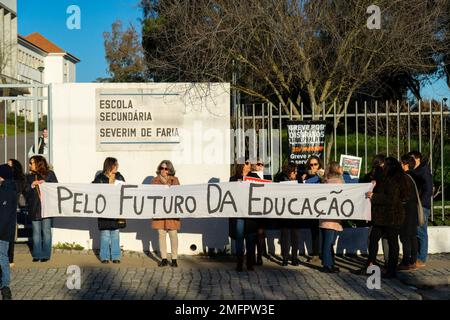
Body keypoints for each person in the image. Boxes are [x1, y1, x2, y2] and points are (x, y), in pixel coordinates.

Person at [366, 157, 409, 278]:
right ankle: (371, 264)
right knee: (375, 238)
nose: (382, 167)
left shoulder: (393, 179)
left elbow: (391, 198)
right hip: (384, 216)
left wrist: (374, 196)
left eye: (385, 165)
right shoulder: (395, 177)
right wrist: (375, 182)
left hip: (390, 216)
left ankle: (391, 270)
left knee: (391, 242)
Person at [24, 155, 57, 262]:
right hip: (34, 207)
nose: (30, 165)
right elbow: (25, 191)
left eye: (31, 163)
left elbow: (57, 188)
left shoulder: (50, 174)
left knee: (46, 231)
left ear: (38, 163)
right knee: (36, 232)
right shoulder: (28, 177)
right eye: (30, 163)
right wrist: (32, 186)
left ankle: (46, 255)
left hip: (47, 208)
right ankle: (37, 254)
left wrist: (46, 184)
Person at [93, 157, 125, 264]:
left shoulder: (119, 176)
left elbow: (125, 188)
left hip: (116, 209)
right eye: (115, 165)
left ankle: (116, 256)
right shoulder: (100, 178)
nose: (117, 167)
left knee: (115, 233)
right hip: (104, 210)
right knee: (105, 234)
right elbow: (92, 189)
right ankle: (104, 256)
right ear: (109, 166)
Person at [229, 158, 257, 271]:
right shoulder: (233, 178)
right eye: (246, 163)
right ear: (241, 165)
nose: (249, 165)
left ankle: (250, 262)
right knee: (239, 237)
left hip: (250, 213)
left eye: (249, 163)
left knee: (250, 237)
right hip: (239, 213)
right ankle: (239, 261)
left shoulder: (254, 177)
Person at [152, 160, 181, 267]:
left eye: (166, 168)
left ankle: (174, 259)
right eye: (162, 168)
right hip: (160, 212)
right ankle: (164, 258)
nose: (163, 170)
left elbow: (179, 193)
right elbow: (151, 194)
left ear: (170, 170)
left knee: (173, 234)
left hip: (171, 212)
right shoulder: (155, 180)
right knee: (161, 234)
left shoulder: (175, 180)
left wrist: (171, 188)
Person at [361, 154, 389, 264]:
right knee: (377, 238)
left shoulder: (385, 178)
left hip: (378, 212)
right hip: (376, 211)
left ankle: (374, 261)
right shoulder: (374, 177)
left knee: (375, 238)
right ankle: (379, 261)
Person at [407, 151, 433, 268]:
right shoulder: (414, 172)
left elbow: (428, 190)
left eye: (412, 159)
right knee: (416, 232)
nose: (410, 161)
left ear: (418, 159)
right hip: (416, 205)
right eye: (409, 159)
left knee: (421, 232)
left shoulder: (424, 172)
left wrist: (421, 204)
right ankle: (417, 256)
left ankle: (422, 258)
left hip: (422, 206)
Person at [246, 158, 272, 266]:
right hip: (251, 208)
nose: (261, 166)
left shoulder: (267, 177)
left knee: (260, 234)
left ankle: (259, 256)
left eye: (262, 164)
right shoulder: (249, 176)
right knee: (252, 234)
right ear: (253, 165)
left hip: (262, 208)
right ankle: (251, 256)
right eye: (258, 164)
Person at [398, 155, 422, 270]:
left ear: (405, 164)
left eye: (401, 163)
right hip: (414, 208)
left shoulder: (405, 178)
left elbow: (403, 195)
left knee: (405, 236)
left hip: (406, 209)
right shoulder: (415, 175)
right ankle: (413, 260)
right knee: (412, 235)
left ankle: (406, 261)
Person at [298, 155, 324, 262]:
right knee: (314, 231)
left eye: (315, 164)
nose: (313, 166)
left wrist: (320, 176)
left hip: (323, 205)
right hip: (311, 207)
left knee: (325, 231)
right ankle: (316, 254)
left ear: (319, 165)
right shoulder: (307, 177)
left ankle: (326, 253)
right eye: (311, 164)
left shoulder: (323, 174)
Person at [320, 161, 344, 273]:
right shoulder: (339, 182)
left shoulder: (324, 182)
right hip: (332, 217)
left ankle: (329, 262)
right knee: (329, 242)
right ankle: (327, 264)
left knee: (327, 241)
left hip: (325, 216)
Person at [274, 162, 300, 266]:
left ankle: (294, 257)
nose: (296, 173)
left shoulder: (298, 179)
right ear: (290, 172)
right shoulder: (279, 179)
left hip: (295, 211)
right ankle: (285, 257)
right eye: (295, 171)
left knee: (295, 235)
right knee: (285, 235)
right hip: (284, 210)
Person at [0, 164, 17, 300]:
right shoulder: (6, 189)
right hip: (4, 231)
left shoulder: (7, 191)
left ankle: (5, 287)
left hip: (2, 232)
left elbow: (4, 216)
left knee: (2, 259)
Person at [7, 159, 27, 268]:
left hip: (11, 209)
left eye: (10, 165)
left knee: (9, 234)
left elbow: (18, 190)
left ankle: (10, 258)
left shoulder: (19, 179)